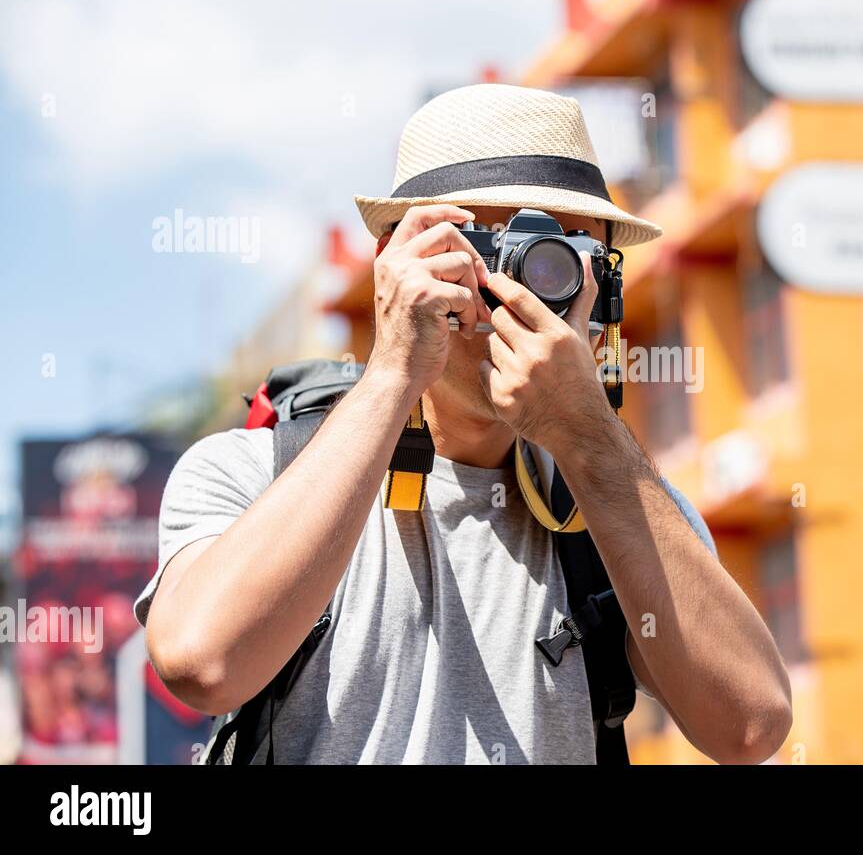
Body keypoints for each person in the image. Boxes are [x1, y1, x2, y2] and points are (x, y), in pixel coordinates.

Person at [134, 84, 791, 764]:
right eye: (487, 249)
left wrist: (590, 441)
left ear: (606, 287)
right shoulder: (254, 473)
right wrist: (395, 370)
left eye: (566, 257)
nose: (526, 287)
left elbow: (750, 729)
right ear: (399, 262)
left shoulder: (616, 512)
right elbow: (202, 666)